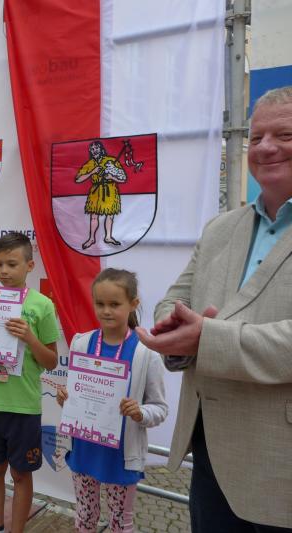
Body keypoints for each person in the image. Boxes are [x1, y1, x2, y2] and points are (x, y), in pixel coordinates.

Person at [136, 86, 292, 532]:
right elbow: (174, 299)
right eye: (256, 136)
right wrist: (174, 333)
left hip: (280, 462)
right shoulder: (221, 228)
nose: (264, 147)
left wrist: (206, 339)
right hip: (209, 454)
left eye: (284, 135)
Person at [57, 268, 168, 533]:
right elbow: (76, 395)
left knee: (120, 521)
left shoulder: (146, 353)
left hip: (120, 456)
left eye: (115, 304)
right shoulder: (81, 344)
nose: (106, 311)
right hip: (85, 449)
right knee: (85, 516)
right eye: (100, 304)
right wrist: (66, 399)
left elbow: (160, 408)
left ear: (133, 303)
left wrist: (139, 412)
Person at [0, 233, 59, 533]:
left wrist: (30, 337)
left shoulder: (42, 305)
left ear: (30, 265)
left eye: (12, 264)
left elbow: (52, 361)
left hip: (23, 406)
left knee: (20, 475)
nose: (4, 271)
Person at [75, 140, 127, 249]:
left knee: (110, 215)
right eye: (92, 149)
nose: (95, 151)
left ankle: (108, 237)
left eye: (96, 148)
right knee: (94, 216)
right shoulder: (89, 164)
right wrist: (92, 172)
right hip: (96, 191)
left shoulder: (111, 161)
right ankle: (91, 238)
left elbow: (123, 178)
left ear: (101, 149)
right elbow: (78, 179)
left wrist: (111, 177)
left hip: (110, 189)